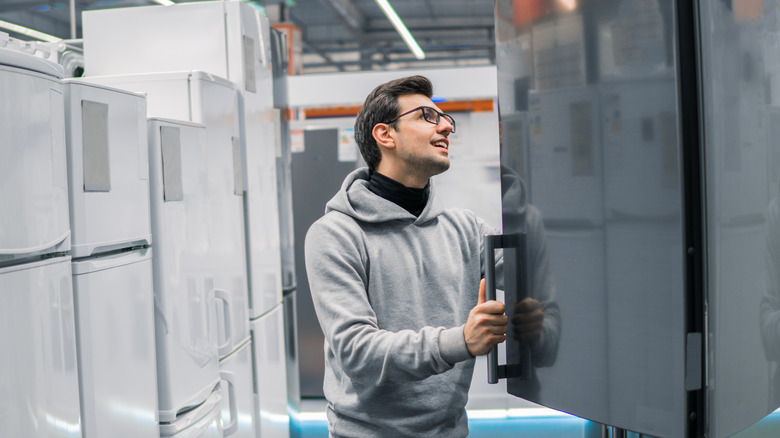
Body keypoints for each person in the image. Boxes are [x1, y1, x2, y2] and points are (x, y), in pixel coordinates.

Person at [304, 75, 553, 437]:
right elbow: (357, 352)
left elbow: (529, 273)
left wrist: (524, 196)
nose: (448, 126)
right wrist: (461, 341)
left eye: (445, 118)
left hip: (451, 430)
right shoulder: (336, 234)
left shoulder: (465, 230)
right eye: (427, 116)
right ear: (385, 135)